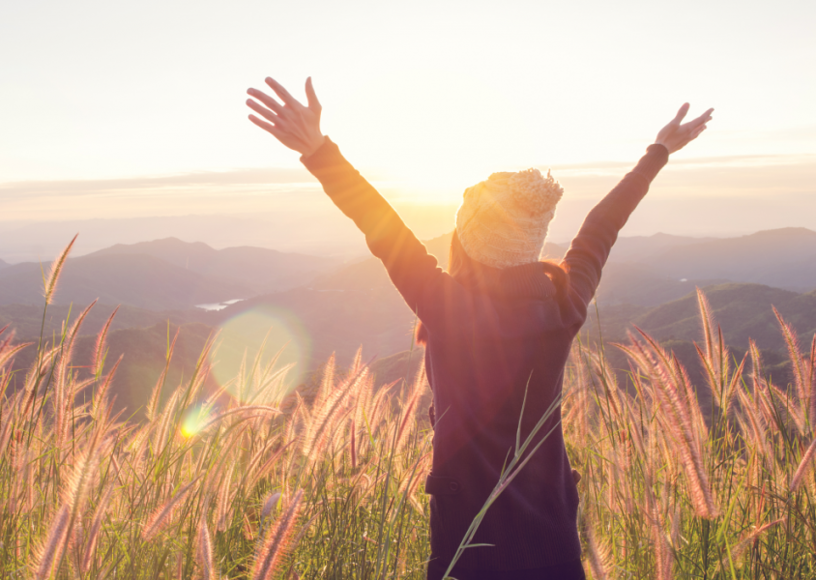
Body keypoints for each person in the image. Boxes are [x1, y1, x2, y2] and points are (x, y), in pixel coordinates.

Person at [246, 77, 712, 580]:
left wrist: (318, 150)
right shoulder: (565, 304)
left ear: (465, 240)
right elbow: (602, 226)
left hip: (468, 547)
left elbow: (380, 225)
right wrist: (659, 150)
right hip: (552, 543)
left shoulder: (448, 307)